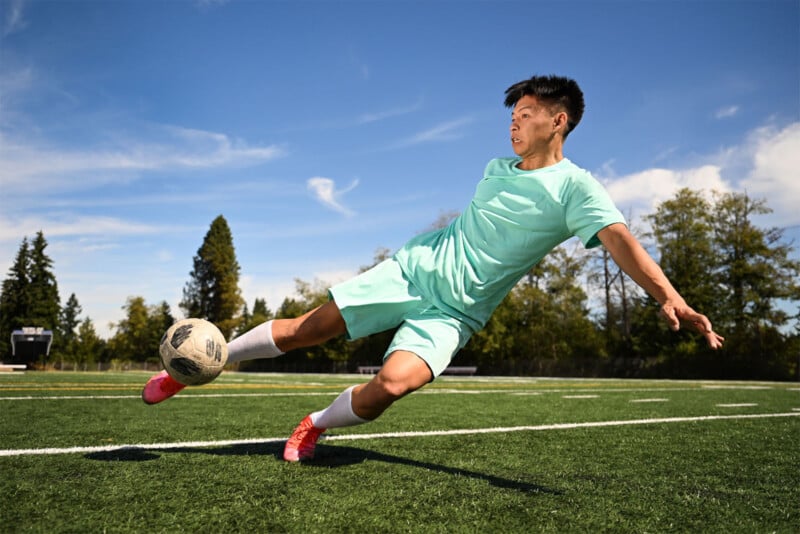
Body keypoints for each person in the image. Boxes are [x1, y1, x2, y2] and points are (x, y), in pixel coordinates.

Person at [142, 74, 724, 462]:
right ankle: (196, 370)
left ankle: (315, 421)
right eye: (512, 116)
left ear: (560, 120)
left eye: (525, 114)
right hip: (415, 270)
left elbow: (622, 240)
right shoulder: (500, 166)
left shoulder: (576, 187)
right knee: (306, 330)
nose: (513, 124)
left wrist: (666, 296)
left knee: (390, 387)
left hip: (457, 312)